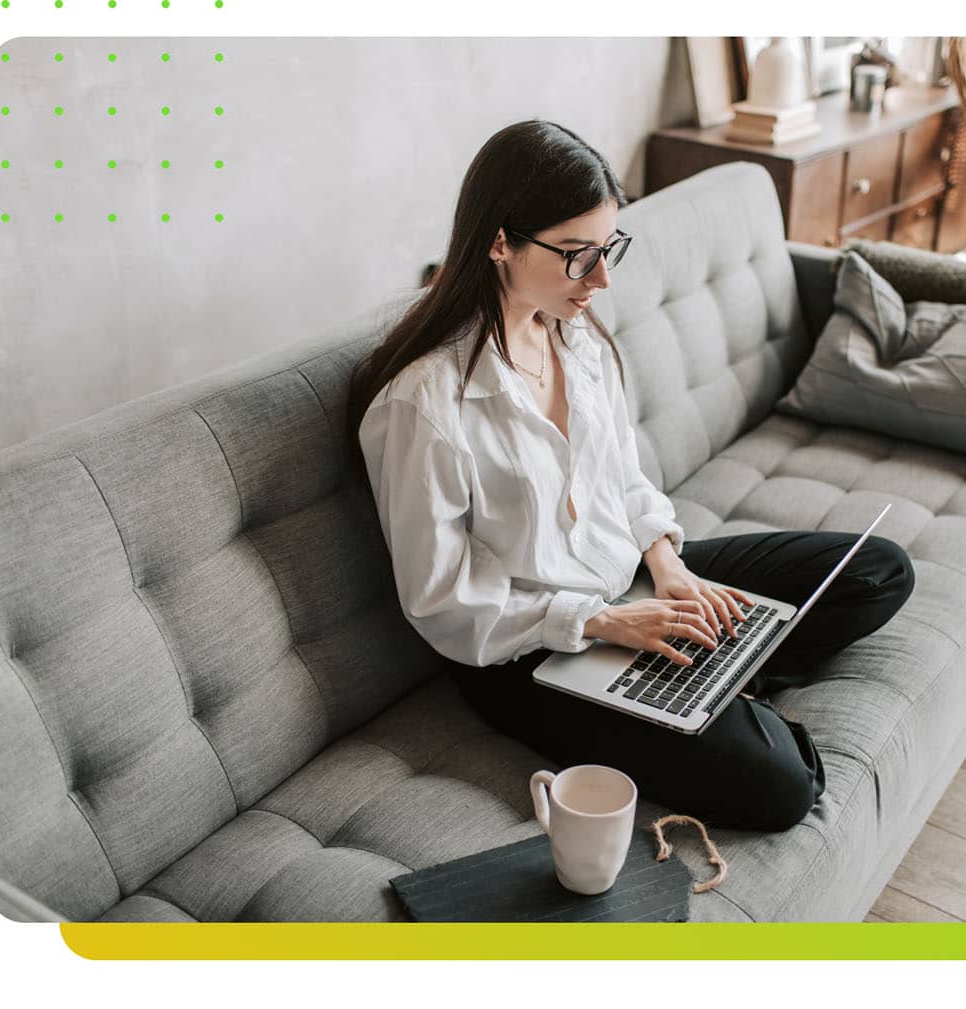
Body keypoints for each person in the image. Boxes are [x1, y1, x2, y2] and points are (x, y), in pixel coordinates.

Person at [346, 120, 915, 833]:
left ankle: (707, 673)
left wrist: (670, 567)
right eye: (580, 255)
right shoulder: (423, 404)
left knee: (878, 571)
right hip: (530, 651)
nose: (604, 278)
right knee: (782, 786)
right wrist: (606, 623)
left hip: (632, 584)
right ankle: (713, 684)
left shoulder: (573, 335)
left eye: (608, 248)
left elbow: (624, 476)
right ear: (500, 242)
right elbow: (442, 601)